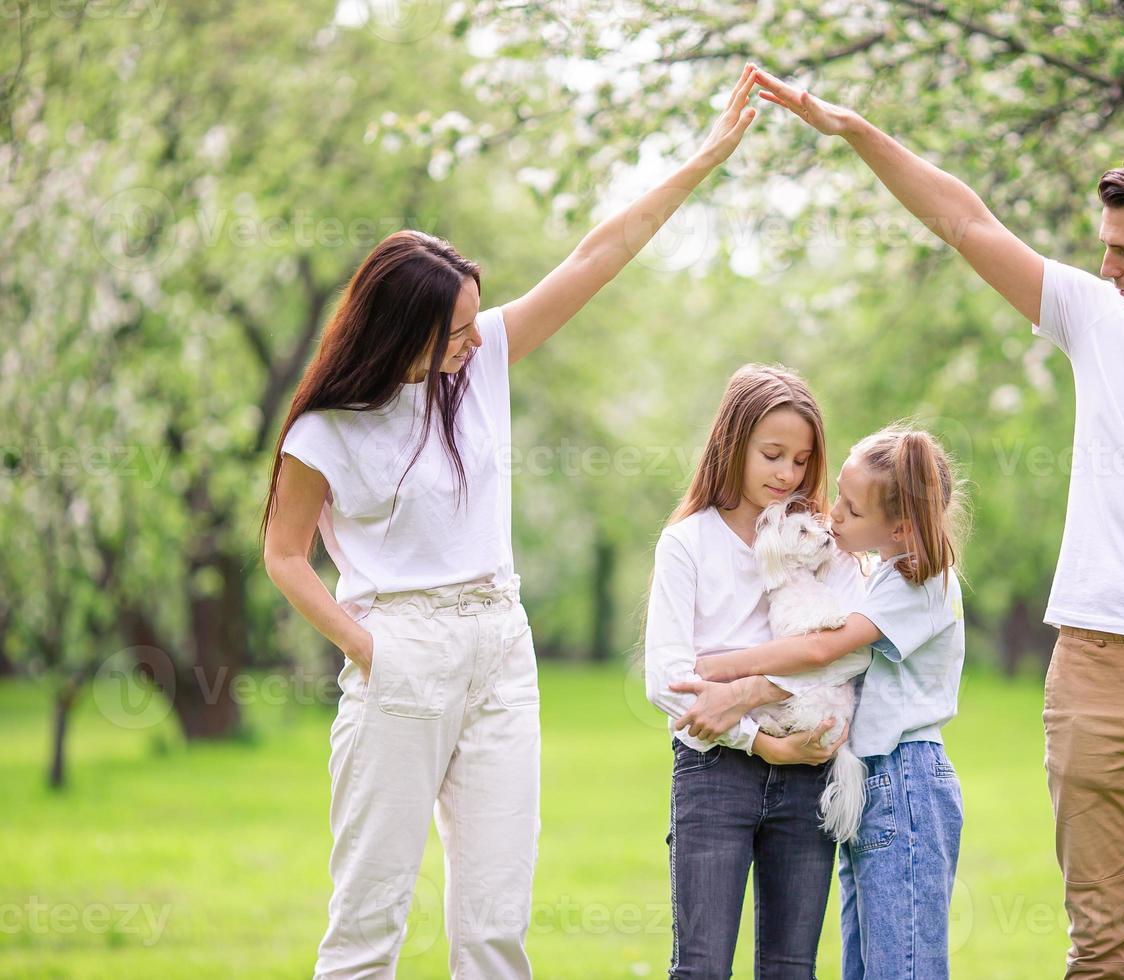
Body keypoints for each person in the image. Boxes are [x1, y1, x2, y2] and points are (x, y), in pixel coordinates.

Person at [751, 66, 1124, 979]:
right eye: (1103, 248)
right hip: (1093, 675)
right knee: (1098, 953)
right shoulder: (1098, 322)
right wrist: (854, 129)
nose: (1106, 268)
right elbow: (966, 221)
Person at [260, 65, 765, 980]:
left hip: (501, 641)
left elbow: (596, 257)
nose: (469, 341)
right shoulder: (324, 430)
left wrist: (703, 160)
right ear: (395, 325)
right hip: (400, 647)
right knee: (366, 928)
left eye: (469, 325)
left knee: (495, 928)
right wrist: (370, 648)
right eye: (450, 330)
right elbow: (285, 555)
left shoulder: (479, 363)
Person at [690, 423, 968, 979]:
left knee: (902, 966)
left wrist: (724, 666)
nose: (833, 515)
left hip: (905, 780)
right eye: (838, 496)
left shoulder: (922, 583)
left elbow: (827, 650)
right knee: (863, 966)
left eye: (852, 510)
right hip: (874, 779)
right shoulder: (886, 573)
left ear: (901, 527)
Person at [643, 362, 865, 978]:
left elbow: (853, 646)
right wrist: (760, 741)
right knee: (702, 965)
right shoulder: (688, 543)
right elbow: (667, 678)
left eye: (800, 461)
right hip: (714, 769)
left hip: (807, 769)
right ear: (733, 441)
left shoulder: (820, 541)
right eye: (772, 454)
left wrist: (743, 690)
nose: (787, 474)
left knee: (792, 967)